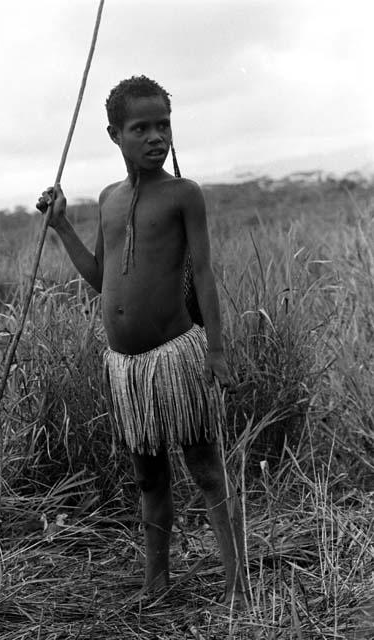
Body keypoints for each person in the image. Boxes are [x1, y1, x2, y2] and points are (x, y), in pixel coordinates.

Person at [36, 75, 248, 608]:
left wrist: (216, 351)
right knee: (149, 479)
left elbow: (203, 276)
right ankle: (157, 583)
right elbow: (100, 278)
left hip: (178, 358)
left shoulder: (183, 194)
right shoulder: (108, 199)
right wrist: (62, 228)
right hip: (127, 370)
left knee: (204, 467)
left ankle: (236, 583)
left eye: (164, 125)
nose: (157, 137)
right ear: (114, 135)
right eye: (142, 128)